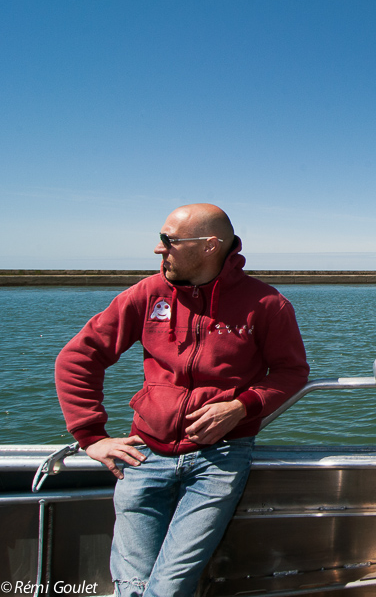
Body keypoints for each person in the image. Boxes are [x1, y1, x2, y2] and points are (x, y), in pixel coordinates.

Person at [55, 204, 310, 597]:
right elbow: (78, 357)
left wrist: (243, 405)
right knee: (133, 586)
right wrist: (92, 436)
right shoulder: (147, 294)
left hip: (221, 458)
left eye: (168, 240)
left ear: (209, 246)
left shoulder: (267, 305)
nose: (159, 250)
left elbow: (292, 372)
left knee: (168, 587)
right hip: (142, 455)